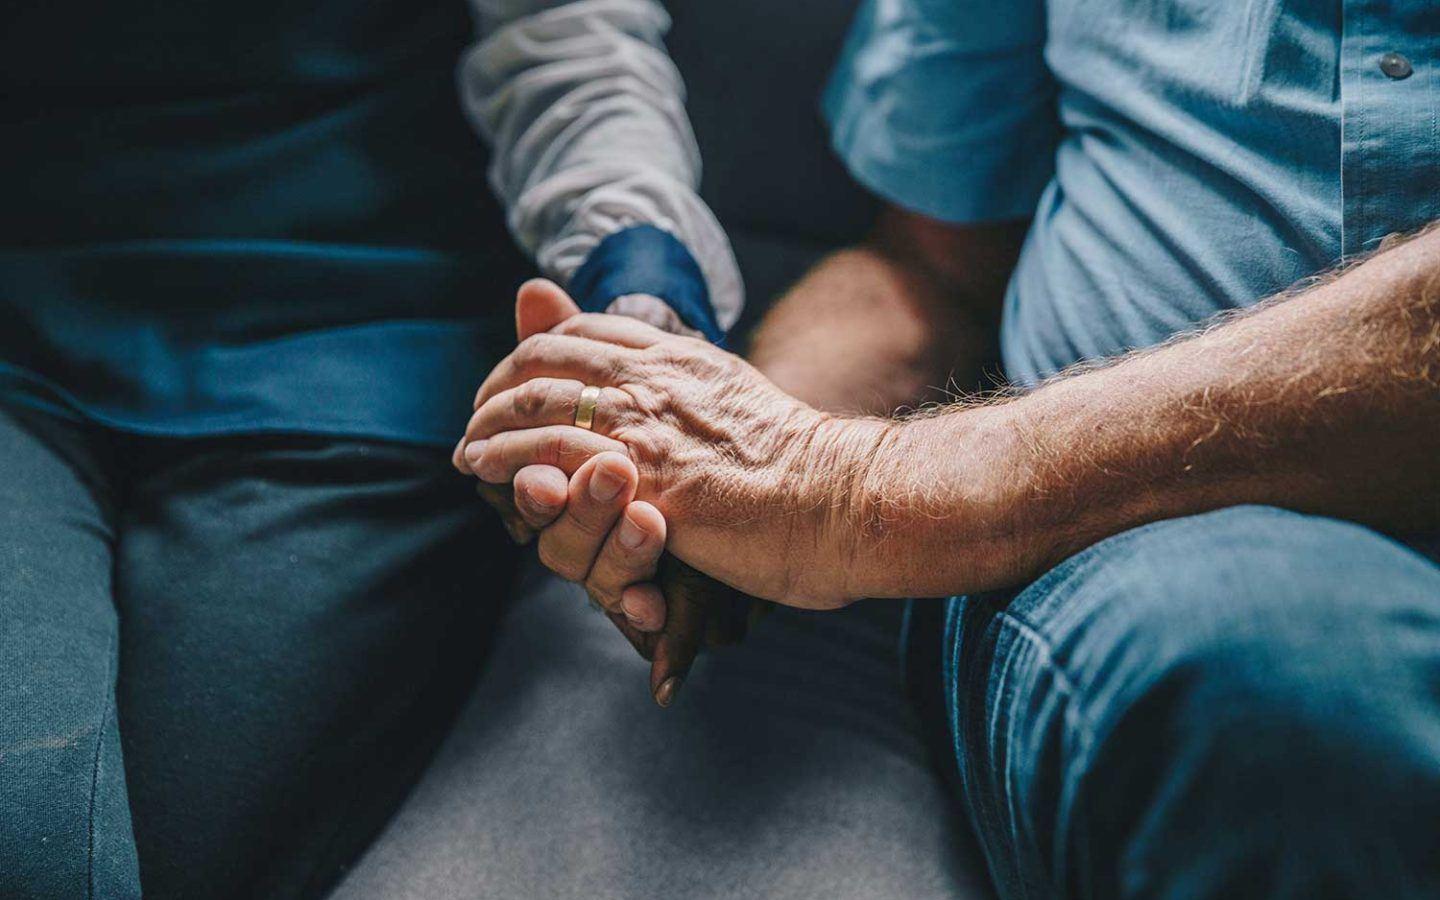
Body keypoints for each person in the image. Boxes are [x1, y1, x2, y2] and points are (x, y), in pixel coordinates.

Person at [457, 0, 1440, 896]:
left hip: (1047, 520)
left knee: (1289, 682)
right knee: (1280, 691)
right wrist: (707, 475)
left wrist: (866, 496)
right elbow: (930, 275)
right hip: (1122, 567)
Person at [0, 1, 742, 897]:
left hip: (359, 351)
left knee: (176, 856)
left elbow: (564, 38)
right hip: (22, 325)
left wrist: (638, 302)